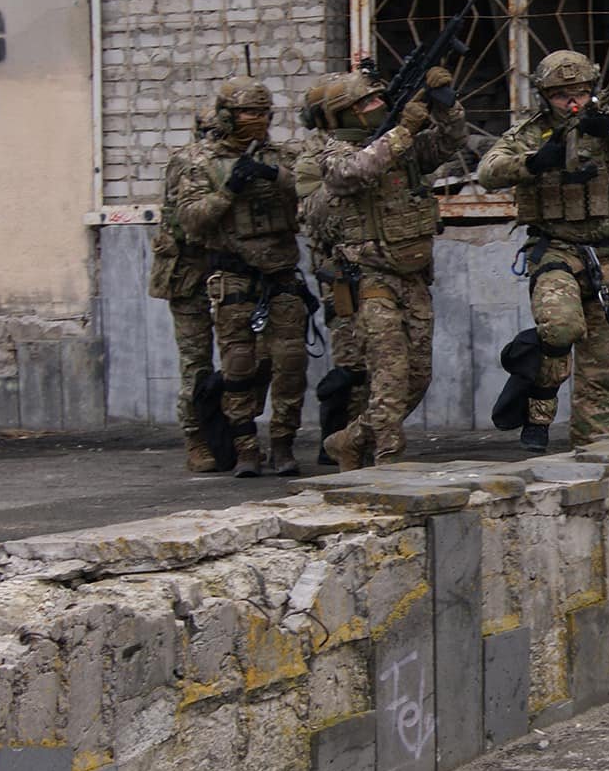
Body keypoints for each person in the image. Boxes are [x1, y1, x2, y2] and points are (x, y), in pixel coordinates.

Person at [476, 50, 609, 451]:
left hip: (607, 256)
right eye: (561, 95)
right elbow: (488, 171)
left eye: (581, 93)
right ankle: (538, 409)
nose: (572, 102)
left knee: (604, 373)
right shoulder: (531, 133)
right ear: (545, 97)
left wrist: (608, 125)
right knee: (561, 327)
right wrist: (533, 162)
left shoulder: (606, 125)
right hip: (556, 250)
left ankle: (594, 451)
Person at [304, 64, 466, 468]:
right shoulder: (335, 153)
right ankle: (388, 464)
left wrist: (446, 106)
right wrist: (403, 130)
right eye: (368, 102)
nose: (379, 105)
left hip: (412, 275)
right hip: (369, 278)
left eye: (379, 98)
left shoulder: (401, 146)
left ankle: (351, 439)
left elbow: (448, 144)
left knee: (417, 377)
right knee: (389, 379)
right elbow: (351, 173)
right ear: (346, 113)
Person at [173, 77, 310, 478]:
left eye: (264, 112)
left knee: (290, 361)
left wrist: (273, 175)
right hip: (233, 275)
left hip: (281, 274)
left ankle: (283, 442)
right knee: (237, 365)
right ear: (227, 116)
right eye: (248, 112)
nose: (257, 119)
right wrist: (229, 190)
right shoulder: (202, 162)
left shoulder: (283, 156)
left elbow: (311, 191)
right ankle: (245, 446)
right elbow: (191, 219)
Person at [294, 79, 366, 465]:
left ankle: (360, 438)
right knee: (352, 362)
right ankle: (336, 440)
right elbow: (316, 216)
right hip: (341, 274)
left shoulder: (369, 145)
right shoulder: (314, 157)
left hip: (382, 266)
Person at [147, 116, 218, 471]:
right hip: (189, 276)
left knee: (245, 362)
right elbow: (186, 221)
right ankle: (196, 437)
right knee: (196, 363)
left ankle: (236, 437)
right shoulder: (187, 162)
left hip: (232, 271)